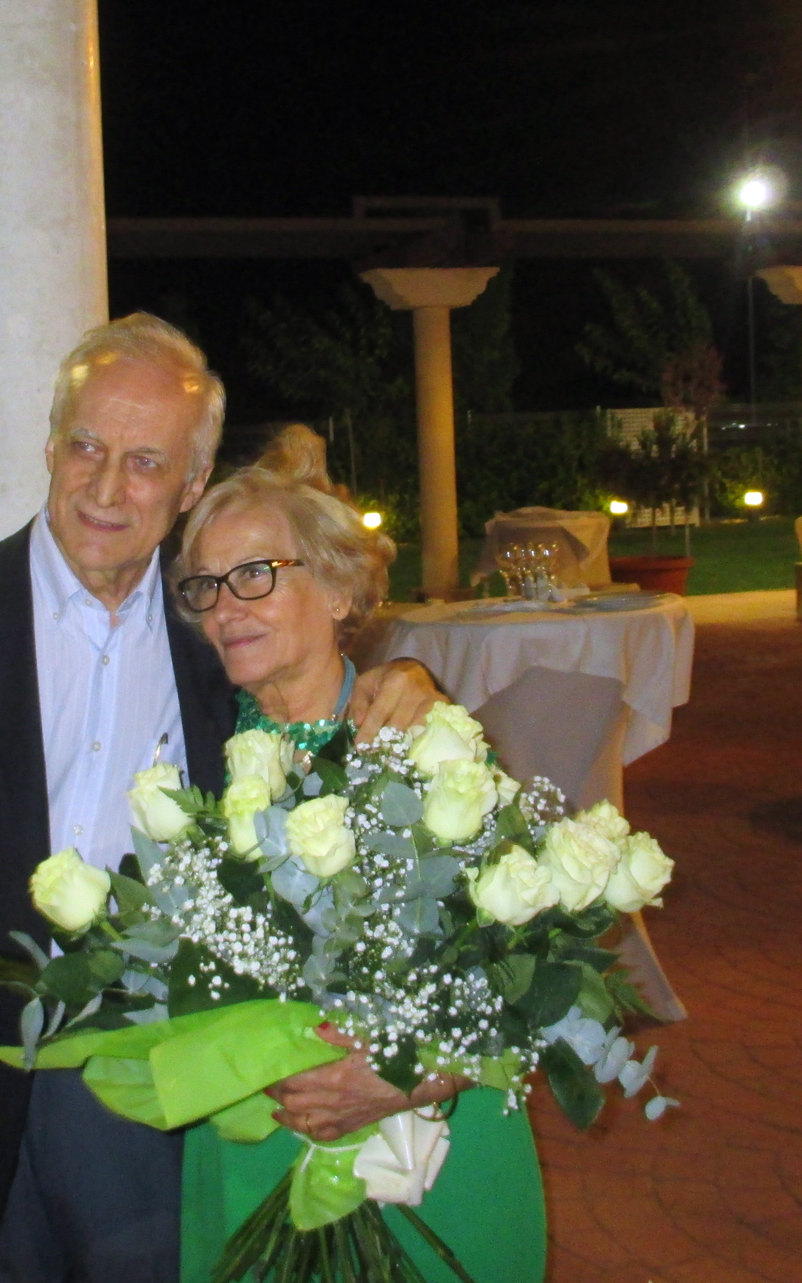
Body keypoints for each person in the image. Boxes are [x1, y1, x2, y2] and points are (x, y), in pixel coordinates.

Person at [0, 314, 443, 1283]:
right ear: (51, 445)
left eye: (145, 461)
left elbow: (319, 683)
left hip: (161, 1082)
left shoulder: (213, 623)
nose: (106, 487)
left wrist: (411, 680)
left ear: (190, 483)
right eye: (86, 446)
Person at [169, 428, 547, 1283]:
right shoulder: (195, 758)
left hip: (435, 1153)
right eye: (207, 585)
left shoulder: (429, 747)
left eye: (256, 574)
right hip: (256, 1152)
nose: (226, 608)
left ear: (340, 587)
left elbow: (539, 981)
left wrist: (404, 1079)